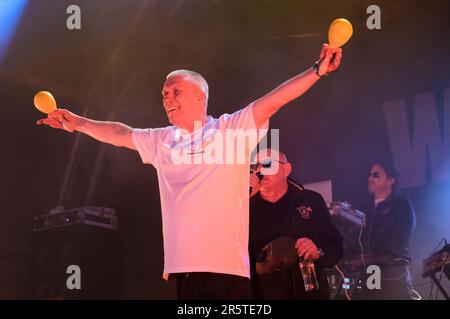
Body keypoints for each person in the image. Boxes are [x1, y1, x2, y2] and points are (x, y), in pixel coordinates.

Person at [36, 44, 343, 299]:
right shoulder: (162, 140)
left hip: (225, 272)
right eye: (164, 95)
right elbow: (120, 133)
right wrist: (77, 123)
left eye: (175, 91)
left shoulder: (228, 131)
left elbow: (274, 101)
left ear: (200, 95)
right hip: (181, 272)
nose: (167, 98)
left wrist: (317, 70)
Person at [249, 149, 343, 299]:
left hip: (307, 294)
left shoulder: (310, 200)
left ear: (286, 169)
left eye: (266, 164)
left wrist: (317, 251)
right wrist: (244, 202)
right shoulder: (245, 207)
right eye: (255, 166)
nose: (259, 170)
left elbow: (335, 245)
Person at [348, 162, 416, 300]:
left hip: (392, 268)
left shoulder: (401, 203)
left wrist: (386, 253)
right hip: (368, 269)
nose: (370, 178)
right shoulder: (364, 207)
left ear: (391, 180)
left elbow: (403, 233)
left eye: (376, 175)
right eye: (369, 175)